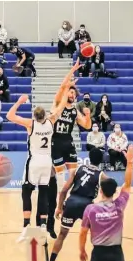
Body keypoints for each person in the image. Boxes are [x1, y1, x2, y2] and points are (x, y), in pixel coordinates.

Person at [6, 90, 68, 239]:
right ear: (45, 115)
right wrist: (67, 88)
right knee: (43, 192)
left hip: (34, 161)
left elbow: (9, 116)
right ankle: (42, 227)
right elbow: (62, 105)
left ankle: (26, 226)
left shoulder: (30, 124)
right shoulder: (51, 121)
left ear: (34, 116)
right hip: (47, 162)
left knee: (26, 190)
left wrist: (20, 101)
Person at [44, 148, 108, 261]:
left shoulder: (78, 169)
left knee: (62, 235)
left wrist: (59, 207)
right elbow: (109, 191)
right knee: (97, 236)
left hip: (72, 203)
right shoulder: (102, 175)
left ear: (89, 157)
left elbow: (63, 190)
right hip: (87, 206)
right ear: (101, 160)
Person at [79, 145, 133, 261]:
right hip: (116, 254)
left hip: (98, 254)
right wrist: (130, 162)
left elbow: (83, 233)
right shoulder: (119, 205)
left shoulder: (91, 209)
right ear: (115, 192)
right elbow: (127, 184)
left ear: (100, 191)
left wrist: (82, 249)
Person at [50, 61, 92, 209]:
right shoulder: (57, 104)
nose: (72, 94)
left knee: (73, 172)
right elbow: (62, 86)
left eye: (74, 93)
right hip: (56, 142)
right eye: (71, 91)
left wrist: (88, 116)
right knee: (60, 175)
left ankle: (69, 200)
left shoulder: (74, 110)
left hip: (68, 142)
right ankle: (59, 203)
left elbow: (87, 126)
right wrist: (73, 70)